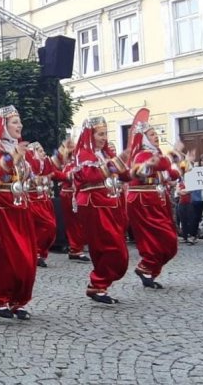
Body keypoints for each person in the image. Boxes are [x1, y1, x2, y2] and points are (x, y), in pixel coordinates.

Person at [0, 105, 37, 320]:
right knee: (5, 256)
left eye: (19, 121)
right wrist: (13, 157)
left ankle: (19, 300)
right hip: (1, 207)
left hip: (21, 206)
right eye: (14, 122)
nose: (20, 125)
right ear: (3, 126)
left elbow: (38, 171)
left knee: (28, 257)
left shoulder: (20, 148)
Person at [72, 116, 129, 304]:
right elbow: (90, 175)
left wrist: (126, 161)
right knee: (109, 247)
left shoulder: (106, 154)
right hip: (93, 204)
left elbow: (126, 175)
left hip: (110, 204)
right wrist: (115, 163)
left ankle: (99, 285)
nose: (104, 138)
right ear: (91, 135)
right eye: (100, 134)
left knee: (114, 247)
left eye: (106, 134)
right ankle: (98, 283)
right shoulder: (83, 154)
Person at [125, 123, 182, 289]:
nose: (156, 136)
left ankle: (147, 269)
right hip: (144, 201)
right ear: (143, 139)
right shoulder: (142, 155)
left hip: (157, 200)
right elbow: (158, 165)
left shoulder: (156, 155)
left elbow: (172, 173)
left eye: (156, 133)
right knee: (162, 239)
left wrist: (187, 164)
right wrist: (175, 154)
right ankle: (147, 265)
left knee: (168, 241)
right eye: (151, 134)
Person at [53, 138, 90, 262]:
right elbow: (53, 167)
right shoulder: (64, 160)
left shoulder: (79, 158)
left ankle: (77, 247)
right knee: (74, 223)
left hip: (78, 193)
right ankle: (75, 249)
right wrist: (64, 147)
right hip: (69, 194)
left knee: (81, 222)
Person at [27, 142, 59, 268]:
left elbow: (55, 172)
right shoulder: (28, 165)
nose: (43, 153)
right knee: (47, 226)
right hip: (32, 201)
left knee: (48, 228)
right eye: (40, 150)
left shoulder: (44, 164)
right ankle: (35, 253)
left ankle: (37, 253)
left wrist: (68, 176)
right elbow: (32, 179)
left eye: (43, 150)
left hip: (44, 201)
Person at [177, 154, 203, 243]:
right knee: (196, 217)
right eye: (202, 161)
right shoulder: (195, 171)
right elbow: (188, 174)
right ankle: (193, 235)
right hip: (197, 197)